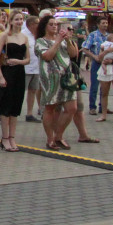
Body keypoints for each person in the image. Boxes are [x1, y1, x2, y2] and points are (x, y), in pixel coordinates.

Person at [36, 16, 80, 150]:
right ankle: (50, 139)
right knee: (50, 107)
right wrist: (57, 41)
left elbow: (73, 54)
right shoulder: (40, 41)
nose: (54, 26)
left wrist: (67, 39)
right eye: (51, 24)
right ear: (45, 26)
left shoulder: (63, 40)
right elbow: (48, 56)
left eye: (56, 24)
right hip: (50, 77)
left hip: (66, 76)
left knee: (72, 107)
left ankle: (59, 136)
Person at [0, 11, 29, 151]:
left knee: (15, 107)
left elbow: (28, 59)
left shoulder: (24, 37)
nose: (19, 22)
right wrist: (0, 76)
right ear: (11, 21)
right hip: (8, 72)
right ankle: (5, 137)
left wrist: (18, 61)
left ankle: (12, 137)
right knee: (6, 107)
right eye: (17, 19)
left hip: (20, 72)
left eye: (21, 19)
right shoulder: (4, 36)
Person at [81, 17, 110, 115]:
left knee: (105, 86)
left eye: (106, 23)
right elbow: (85, 48)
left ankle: (103, 106)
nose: (105, 25)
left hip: (108, 63)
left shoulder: (109, 36)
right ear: (98, 24)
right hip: (97, 63)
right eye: (103, 23)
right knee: (94, 86)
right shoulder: (93, 35)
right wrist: (94, 56)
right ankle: (92, 107)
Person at [23, 16, 42, 123]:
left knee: (33, 90)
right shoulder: (23, 34)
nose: (39, 25)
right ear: (30, 24)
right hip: (25, 68)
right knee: (20, 91)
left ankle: (29, 113)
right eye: (37, 23)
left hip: (36, 67)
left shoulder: (38, 35)